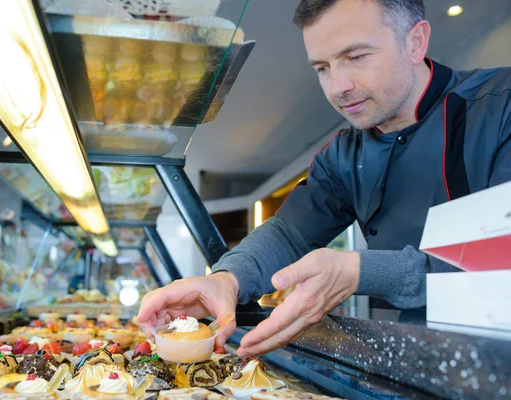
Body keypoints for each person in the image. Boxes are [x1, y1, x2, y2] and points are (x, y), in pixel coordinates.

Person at [138, 0, 511, 357]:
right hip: (411, 358)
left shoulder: (500, 107)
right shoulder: (343, 153)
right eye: (322, 68)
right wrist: (225, 280)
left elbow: (500, 263)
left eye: (356, 57)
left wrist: (358, 271)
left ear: (415, 41)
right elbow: (289, 233)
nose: (337, 87)